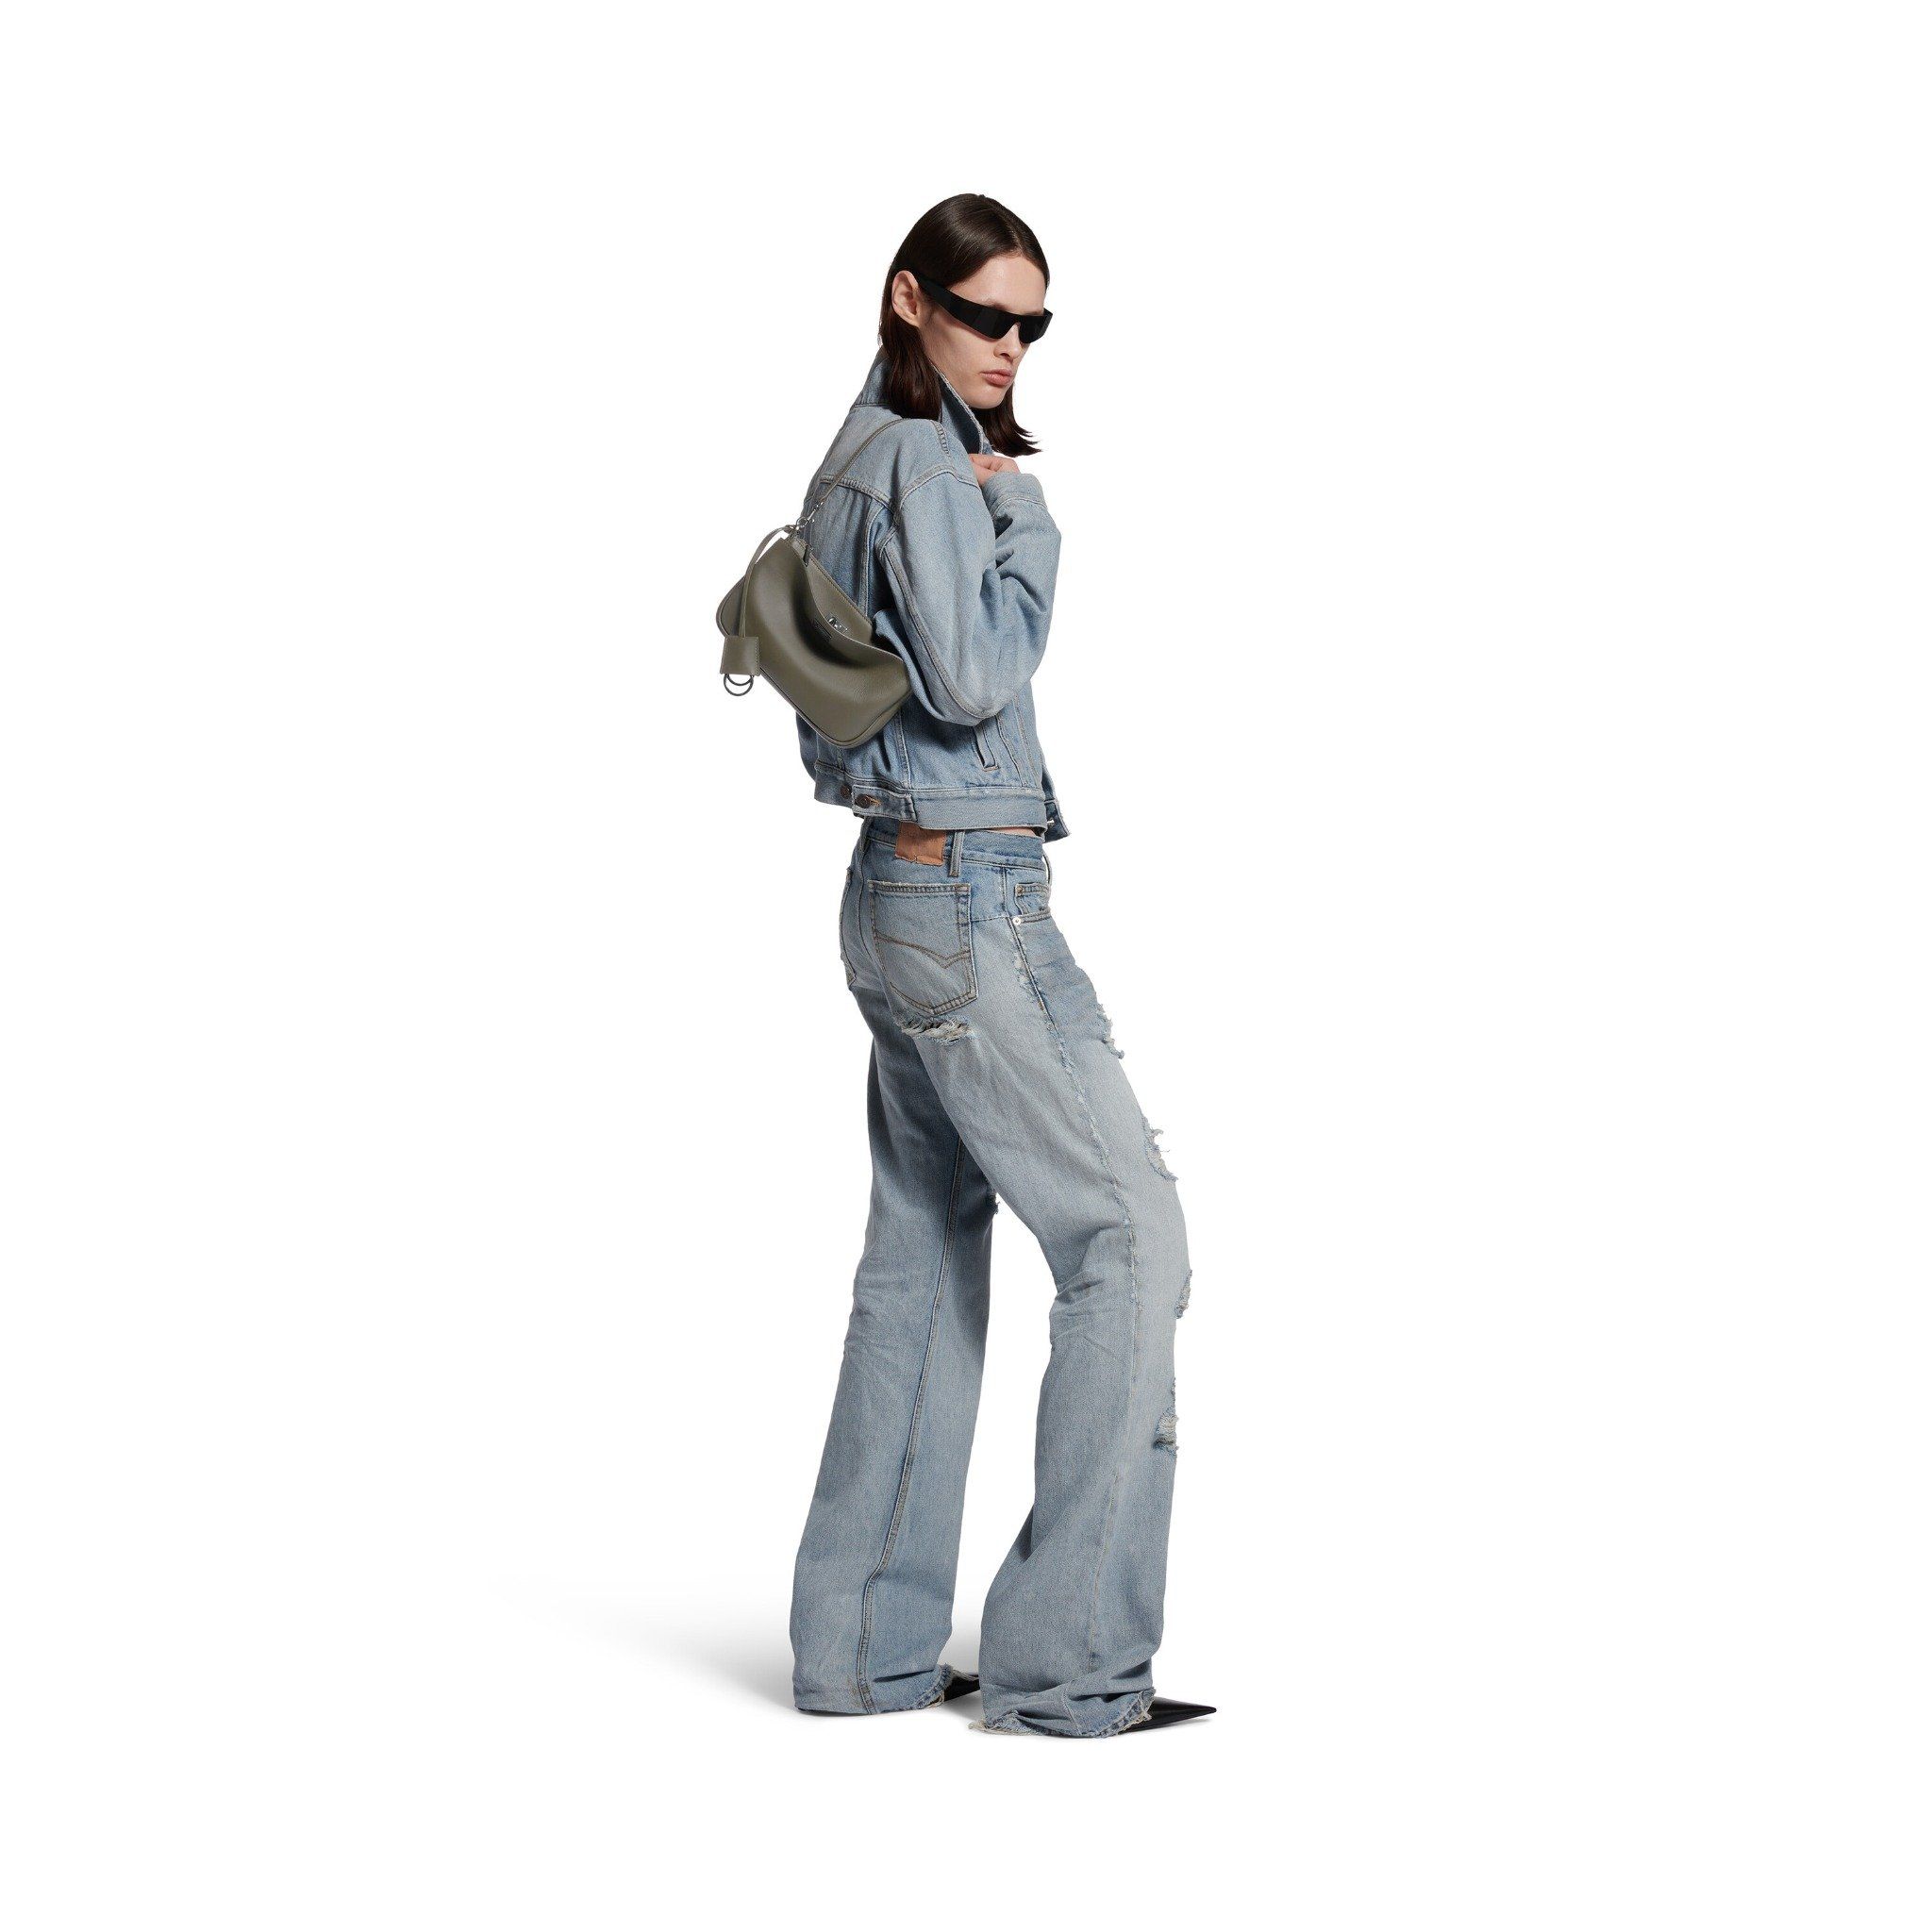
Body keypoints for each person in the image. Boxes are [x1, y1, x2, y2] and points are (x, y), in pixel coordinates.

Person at [787, 193, 1211, 1739]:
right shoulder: (926, 462)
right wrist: (1027, 526)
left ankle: (863, 1651)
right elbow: (969, 680)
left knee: (919, 1260)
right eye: (984, 315)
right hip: (970, 895)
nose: (1011, 345)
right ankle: (1069, 1668)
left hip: (894, 892)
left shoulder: (850, 454)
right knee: (1130, 1242)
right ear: (912, 298)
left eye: (1033, 324)